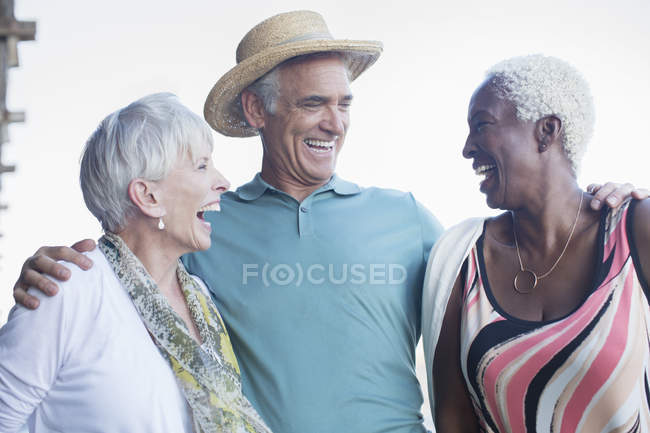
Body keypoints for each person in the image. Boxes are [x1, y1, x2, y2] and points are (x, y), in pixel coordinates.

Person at [10, 12, 647, 433]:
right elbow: (129, 270)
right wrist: (51, 264)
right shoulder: (203, 230)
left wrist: (601, 199)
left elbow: (515, 258)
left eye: (343, 103)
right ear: (257, 110)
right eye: (313, 103)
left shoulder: (411, 222)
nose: (334, 123)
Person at [0, 93, 271, 433]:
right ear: (147, 196)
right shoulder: (68, 290)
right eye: (202, 166)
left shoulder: (200, 298)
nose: (222, 182)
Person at [423, 55, 650, 433]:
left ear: (546, 131)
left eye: (482, 125)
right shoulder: (462, 260)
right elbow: (455, 422)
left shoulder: (634, 230)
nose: (467, 148)